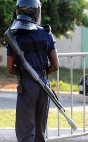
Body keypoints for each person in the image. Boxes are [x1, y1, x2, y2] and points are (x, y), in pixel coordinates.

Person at [6, 0, 58, 141]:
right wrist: (41, 74)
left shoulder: (14, 36)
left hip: (27, 86)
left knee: (26, 133)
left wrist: (24, 73)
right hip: (44, 85)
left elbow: (10, 68)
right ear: (36, 11)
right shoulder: (46, 33)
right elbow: (55, 65)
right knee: (40, 133)